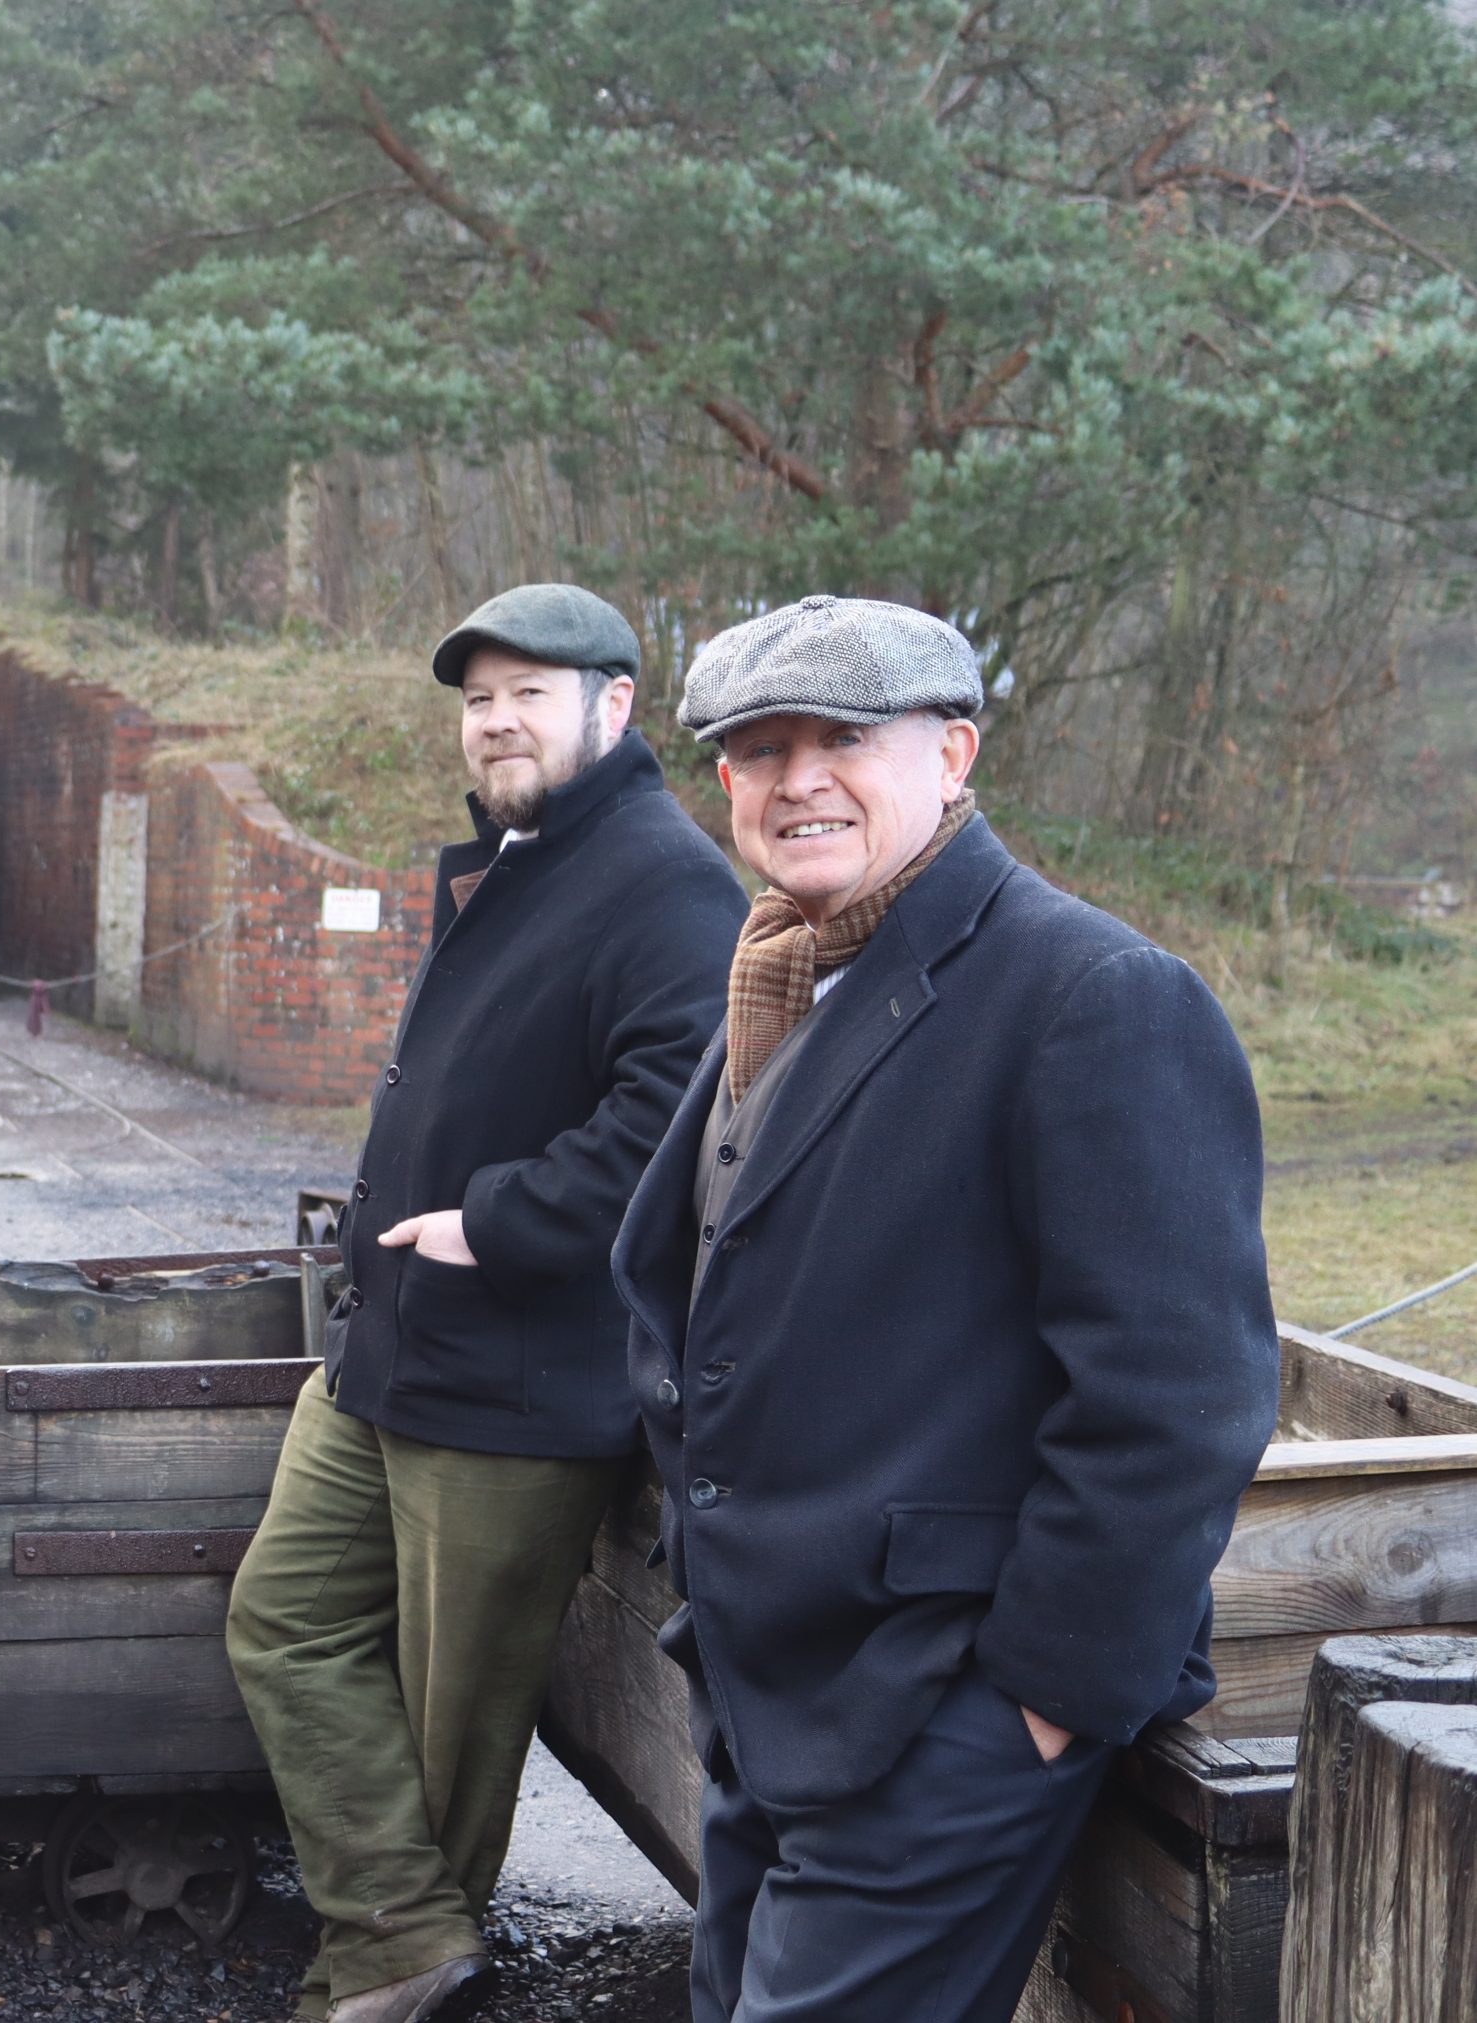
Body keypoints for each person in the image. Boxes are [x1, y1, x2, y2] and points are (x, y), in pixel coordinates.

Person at [610, 594, 1281, 2023]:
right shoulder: (781, 976)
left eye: (843, 735)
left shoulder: (1094, 993)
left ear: (954, 753)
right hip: (767, 1688)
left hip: (940, 1719)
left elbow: (1177, 1397)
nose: (795, 777)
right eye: (754, 746)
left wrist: (1030, 1709)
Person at [226, 584, 745, 2023]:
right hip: (384, 1354)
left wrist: (492, 1221)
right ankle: (400, 1938)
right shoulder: (520, 858)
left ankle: (381, 1980)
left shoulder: (665, 882)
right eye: (477, 697)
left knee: (454, 1728)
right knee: (283, 1622)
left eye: (531, 689)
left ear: (615, 705)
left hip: (519, 1385)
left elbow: (676, 1125)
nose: (497, 718)